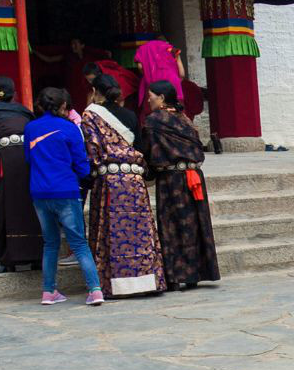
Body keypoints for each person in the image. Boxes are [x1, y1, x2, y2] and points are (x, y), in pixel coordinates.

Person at [82, 74, 164, 298]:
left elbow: (92, 152)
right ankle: (146, 281)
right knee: (139, 231)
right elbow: (141, 146)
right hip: (135, 180)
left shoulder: (90, 115)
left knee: (111, 233)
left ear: (95, 91)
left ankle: (113, 285)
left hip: (109, 181)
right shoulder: (129, 115)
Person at [24, 87, 104, 306]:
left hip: (40, 192)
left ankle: (48, 292)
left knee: (50, 244)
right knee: (79, 243)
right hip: (66, 190)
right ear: (63, 106)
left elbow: (29, 159)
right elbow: (81, 163)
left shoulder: (30, 128)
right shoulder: (69, 128)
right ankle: (95, 290)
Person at [140, 80, 220, 290]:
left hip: (171, 179)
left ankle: (174, 276)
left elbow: (148, 152)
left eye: (151, 96)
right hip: (193, 176)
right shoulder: (185, 119)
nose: (148, 99)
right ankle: (194, 274)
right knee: (193, 224)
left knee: (171, 225)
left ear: (162, 98)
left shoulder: (154, 121)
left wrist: (145, 174)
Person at [0, 76, 42, 272]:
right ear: (14, 93)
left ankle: (9, 259)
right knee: (29, 203)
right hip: (28, 158)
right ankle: (36, 257)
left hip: (4, 158)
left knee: (5, 203)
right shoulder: (24, 110)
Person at [134, 37, 186, 122]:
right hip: (172, 83)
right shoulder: (171, 49)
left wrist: (147, 73)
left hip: (154, 83)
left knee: (153, 118)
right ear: (166, 41)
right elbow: (182, 74)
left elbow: (140, 67)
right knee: (177, 116)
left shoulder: (144, 48)